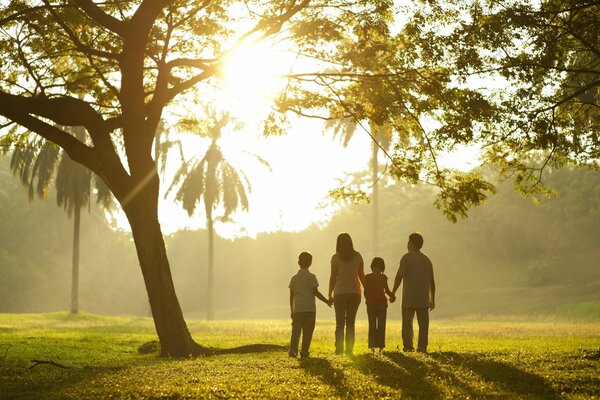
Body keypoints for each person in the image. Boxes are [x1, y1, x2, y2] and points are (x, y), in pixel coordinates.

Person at [391, 232, 436, 353]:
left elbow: (399, 276)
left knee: (407, 325)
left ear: (411, 243)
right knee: (423, 326)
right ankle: (422, 347)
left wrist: (393, 292)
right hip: (423, 299)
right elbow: (432, 282)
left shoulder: (406, 258)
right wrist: (432, 299)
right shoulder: (427, 260)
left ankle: (408, 347)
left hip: (408, 298)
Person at [288, 251, 331, 358]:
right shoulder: (312, 277)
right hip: (309, 309)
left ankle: (293, 351)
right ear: (310, 263)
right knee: (307, 332)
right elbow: (316, 293)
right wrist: (327, 301)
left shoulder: (294, 278)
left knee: (295, 332)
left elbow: (291, 296)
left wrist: (292, 310)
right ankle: (304, 351)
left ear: (298, 262)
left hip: (297, 309)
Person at [328, 233, 365, 355]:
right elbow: (362, 276)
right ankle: (349, 349)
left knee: (340, 324)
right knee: (350, 323)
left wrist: (330, 293)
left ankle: (339, 349)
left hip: (340, 293)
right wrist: (368, 290)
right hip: (355, 293)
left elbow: (333, 277)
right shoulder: (358, 256)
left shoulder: (335, 258)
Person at [364, 257, 395, 352]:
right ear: (382, 267)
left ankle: (372, 347)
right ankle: (381, 347)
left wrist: (369, 299)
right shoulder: (383, 277)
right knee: (381, 326)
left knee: (372, 325)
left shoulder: (367, 277)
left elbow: (365, 292)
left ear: (372, 266)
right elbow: (387, 290)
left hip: (371, 304)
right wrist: (393, 296)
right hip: (381, 304)